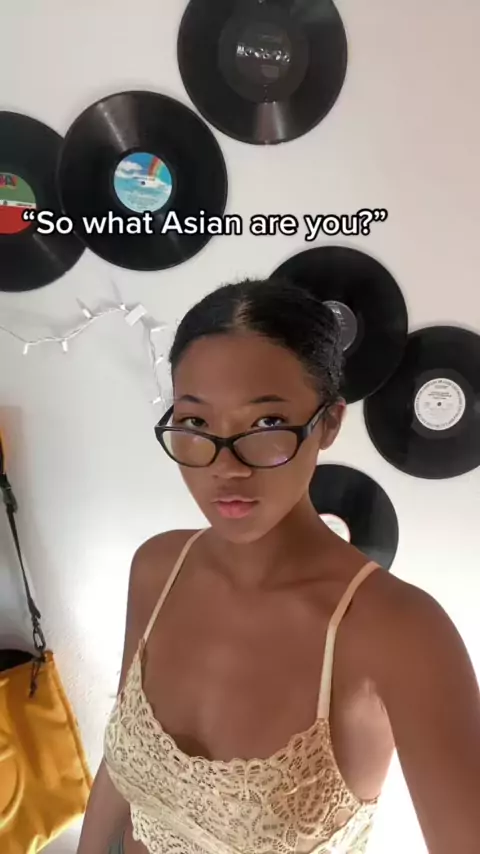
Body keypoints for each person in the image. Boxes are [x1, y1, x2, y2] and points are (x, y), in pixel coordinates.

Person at [76, 277, 480, 854]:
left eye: (266, 425)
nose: (227, 466)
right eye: (197, 424)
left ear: (330, 423)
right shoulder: (157, 568)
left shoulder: (400, 633)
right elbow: (118, 770)